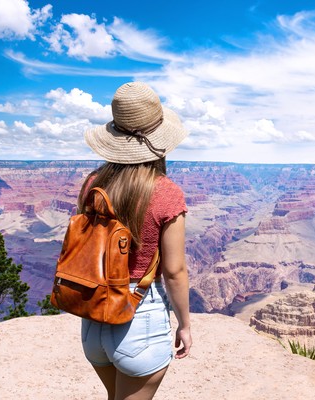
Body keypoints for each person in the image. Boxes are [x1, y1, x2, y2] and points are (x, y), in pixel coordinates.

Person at [78, 81, 192, 399]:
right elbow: (174, 271)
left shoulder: (93, 184)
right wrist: (185, 324)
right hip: (138, 317)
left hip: (94, 320)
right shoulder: (166, 191)